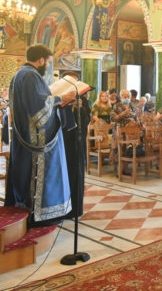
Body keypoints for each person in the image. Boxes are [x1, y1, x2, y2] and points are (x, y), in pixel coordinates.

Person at [5, 44, 76, 226]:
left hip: (24, 137)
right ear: (41, 60)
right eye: (48, 62)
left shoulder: (19, 74)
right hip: (36, 139)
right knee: (39, 175)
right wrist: (62, 98)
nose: (48, 66)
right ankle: (40, 214)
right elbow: (39, 111)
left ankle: (25, 209)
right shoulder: (31, 76)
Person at [61, 71, 91, 220]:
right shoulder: (59, 98)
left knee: (77, 174)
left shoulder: (82, 99)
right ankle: (62, 208)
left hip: (77, 142)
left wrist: (79, 108)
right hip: (63, 143)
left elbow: (86, 120)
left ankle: (76, 208)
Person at [110, 89, 138, 175]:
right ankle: (119, 171)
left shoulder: (132, 105)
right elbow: (113, 118)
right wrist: (123, 113)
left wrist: (137, 121)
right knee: (120, 149)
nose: (127, 98)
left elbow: (136, 116)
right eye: (125, 96)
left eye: (128, 96)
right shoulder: (117, 106)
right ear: (121, 97)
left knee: (127, 150)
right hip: (120, 129)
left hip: (130, 131)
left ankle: (126, 169)